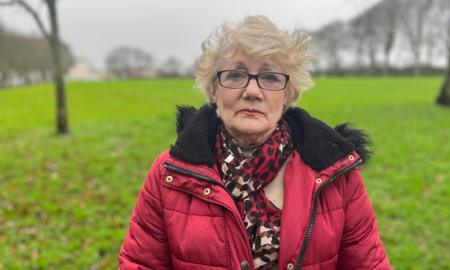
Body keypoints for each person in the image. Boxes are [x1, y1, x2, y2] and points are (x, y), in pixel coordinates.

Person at [119, 15, 391, 270]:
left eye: (270, 77)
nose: (252, 91)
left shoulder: (335, 172)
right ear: (214, 90)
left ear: (288, 95)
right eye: (235, 75)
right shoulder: (168, 175)